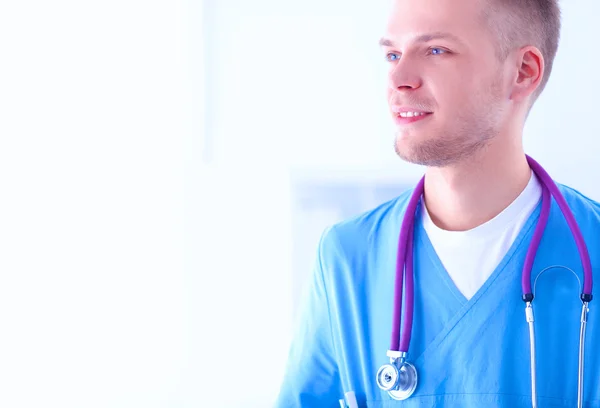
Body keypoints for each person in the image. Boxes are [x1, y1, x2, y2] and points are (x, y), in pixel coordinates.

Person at [274, 0, 600, 406]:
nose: (398, 78)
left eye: (435, 51)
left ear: (523, 72)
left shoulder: (592, 248)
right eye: (392, 54)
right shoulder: (348, 257)